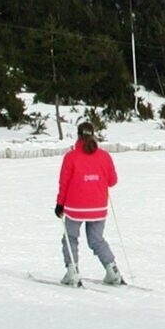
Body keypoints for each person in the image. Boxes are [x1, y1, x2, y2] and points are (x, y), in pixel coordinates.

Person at [55, 121, 123, 286]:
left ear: (78, 136)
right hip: (98, 207)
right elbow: (112, 181)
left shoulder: (71, 157)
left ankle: (72, 271)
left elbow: (64, 183)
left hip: (75, 208)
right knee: (97, 240)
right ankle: (112, 270)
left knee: (70, 237)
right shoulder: (104, 156)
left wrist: (59, 204)